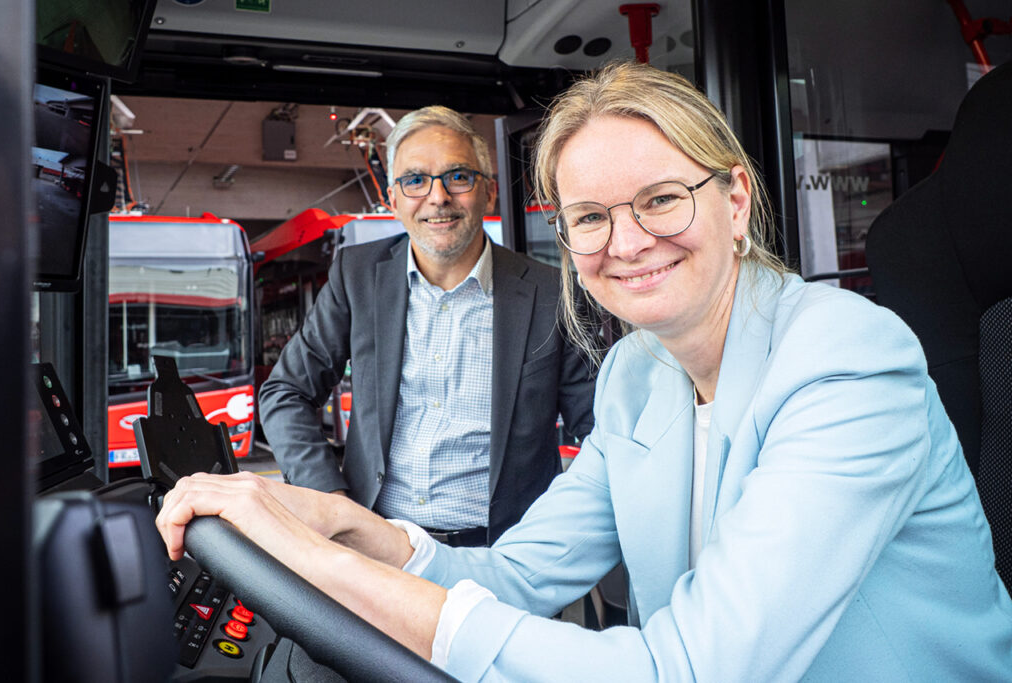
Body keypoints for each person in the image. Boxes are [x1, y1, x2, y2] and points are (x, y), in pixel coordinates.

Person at [159, 63, 1012, 680]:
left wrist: (318, 567)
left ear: (736, 199)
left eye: (661, 199)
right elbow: (512, 574)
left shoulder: (847, 360)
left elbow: (688, 670)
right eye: (591, 217)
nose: (628, 242)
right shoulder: (637, 373)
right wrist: (331, 522)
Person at [258, 105, 596, 546]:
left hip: (504, 555)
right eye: (415, 180)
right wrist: (331, 501)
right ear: (394, 200)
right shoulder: (356, 275)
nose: (438, 197)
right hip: (376, 548)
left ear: (489, 193)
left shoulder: (553, 293)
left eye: (458, 176)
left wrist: (559, 532)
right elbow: (286, 392)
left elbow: (597, 431)